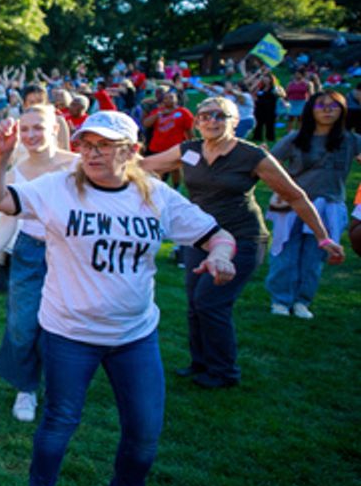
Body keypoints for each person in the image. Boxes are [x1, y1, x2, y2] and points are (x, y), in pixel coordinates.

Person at [0, 110, 236, 486]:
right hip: (69, 332)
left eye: (105, 145)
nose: (93, 153)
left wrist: (220, 255)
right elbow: (1, 200)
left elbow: (218, 234)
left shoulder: (155, 196)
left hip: (134, 335)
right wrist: (0, 158)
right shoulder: (59, 188)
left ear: (131, 151)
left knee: (144, 430)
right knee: (60, 423)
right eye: (86, 144)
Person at [140, 96, 342, 385]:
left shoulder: (251, 156)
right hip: (202, 239)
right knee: (196, 304)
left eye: (220, 115)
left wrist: (324, 239)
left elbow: (296, 195)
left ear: (235, 122)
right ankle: (200, 363)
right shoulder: (189, 150)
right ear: (197, 122)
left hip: (243, 238)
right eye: (205, 115)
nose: (212, 120)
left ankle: (224, 372)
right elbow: (146, 165)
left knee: (210, 302)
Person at [0, 105, 76, 421]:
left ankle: (60, 385)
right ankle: (26, 389)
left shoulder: (76, 167)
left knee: (64, 325)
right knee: (22, 324)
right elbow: (10, 222)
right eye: (25, 129)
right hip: (29, 252)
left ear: (54, 129)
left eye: (39, 127)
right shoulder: (15, 171)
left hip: (70, 255)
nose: (31, 135)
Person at [263, 91, 361, 319]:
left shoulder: (351, 140)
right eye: (321, 105)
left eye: (333, 106)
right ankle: (280, 299)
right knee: (285, 251)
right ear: (311, 109)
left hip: (329, 205)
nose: (327, 110)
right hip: (293, 205)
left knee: (314, 256)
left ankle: (302, 301)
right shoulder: (296, 138)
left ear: (343, 110)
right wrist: (280, 188)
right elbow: (268, 164)